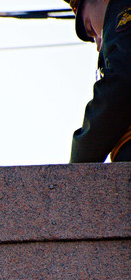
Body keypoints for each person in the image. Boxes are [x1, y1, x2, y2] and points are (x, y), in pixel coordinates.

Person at [65, 0, 131, 162]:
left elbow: (120, 83)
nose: (98, 44)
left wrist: (76, 167)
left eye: (91, 29)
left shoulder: (123, 9)